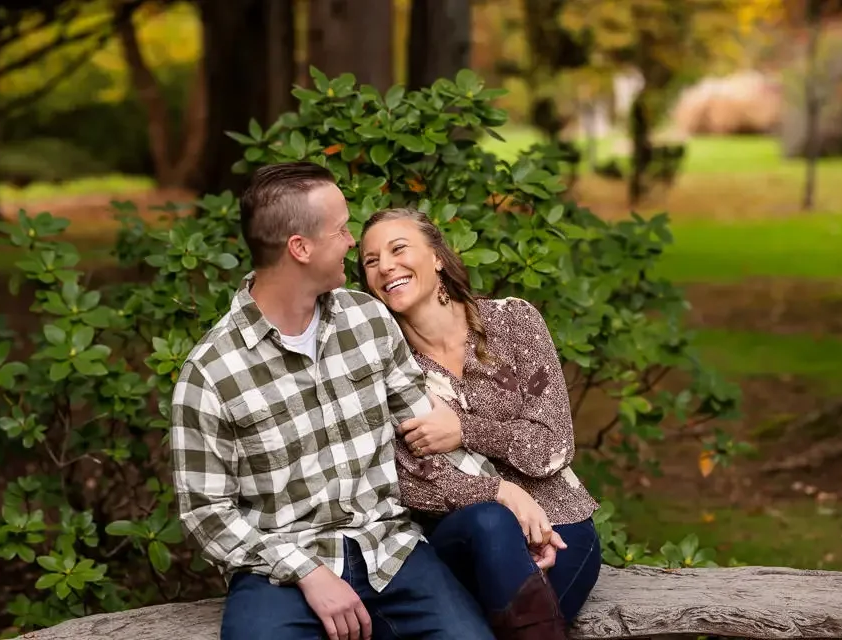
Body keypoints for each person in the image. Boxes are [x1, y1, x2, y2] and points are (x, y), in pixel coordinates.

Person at [170, 163, 497, 640]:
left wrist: (505, 498)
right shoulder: (212, 373)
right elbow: (206, 512)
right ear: (299, 248)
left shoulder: (368, 319)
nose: (351, 241)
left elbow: (425, 430)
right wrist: (306, 571)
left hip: (393, 553)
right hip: (279, 572)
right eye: (341, 229)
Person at [358, 207, 603, 640]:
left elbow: (553, 447)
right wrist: (499, 492)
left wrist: (464, 430)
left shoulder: (513, 322)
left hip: (559, 525)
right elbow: (408, 482)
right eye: (371, 260)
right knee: (491, 521)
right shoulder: (385, 367)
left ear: (436, 256)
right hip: (465, 536)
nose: (386, 266)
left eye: (399, 249)